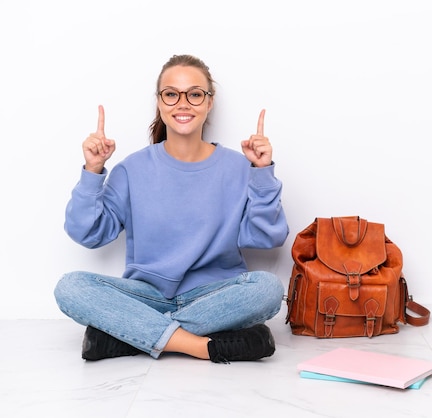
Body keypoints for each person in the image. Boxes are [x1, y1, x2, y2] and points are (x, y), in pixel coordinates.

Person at [54, 54, 289, 363]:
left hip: (214, 296)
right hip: (147, 297)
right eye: (171, 94)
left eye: (194, 94)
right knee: (70, 287)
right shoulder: (132, 169)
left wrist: (262, 173)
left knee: (268, 288)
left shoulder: (239, 167)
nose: (183, 103)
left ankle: (128, 336)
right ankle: (200, 346)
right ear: (160, 102)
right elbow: (88, 233)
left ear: (209, 102)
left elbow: (267, 237)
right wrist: (93, 171)